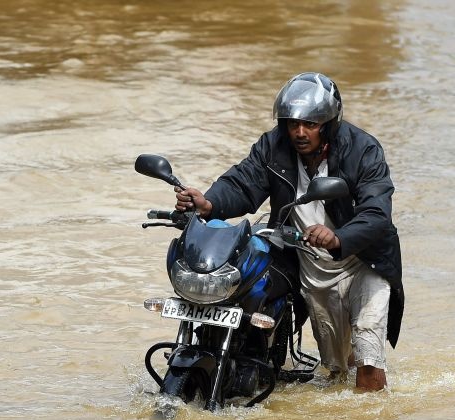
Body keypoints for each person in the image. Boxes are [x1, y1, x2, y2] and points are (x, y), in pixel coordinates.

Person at [173, 72, 404, 391]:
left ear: (328, 123)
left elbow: (377, 214)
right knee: (336, 371)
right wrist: (209, 203)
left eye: (310, 124)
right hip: (311, 264)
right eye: (293, 123)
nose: (299, 131)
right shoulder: (273, 146)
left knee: (367, 360)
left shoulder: (363, 150)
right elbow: (242, 182)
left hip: (365, 261)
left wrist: (338, 237)